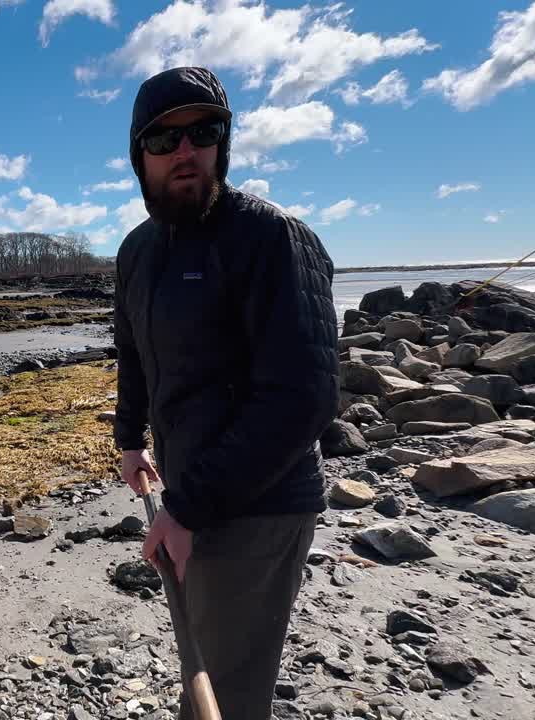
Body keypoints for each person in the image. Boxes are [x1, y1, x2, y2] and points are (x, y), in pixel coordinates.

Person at [112, 66, 339, 720]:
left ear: (223, 143)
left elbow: (301, 399)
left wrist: (185, 509)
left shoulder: (270, 239)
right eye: (163, 139)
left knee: (226, 689)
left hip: (263, 502)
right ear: (139, 156)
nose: (184, 151)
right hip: (192, 490)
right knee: (203, 658)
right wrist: (130, 440)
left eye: (202, 132)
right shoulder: (137, 253)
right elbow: (135, 354)